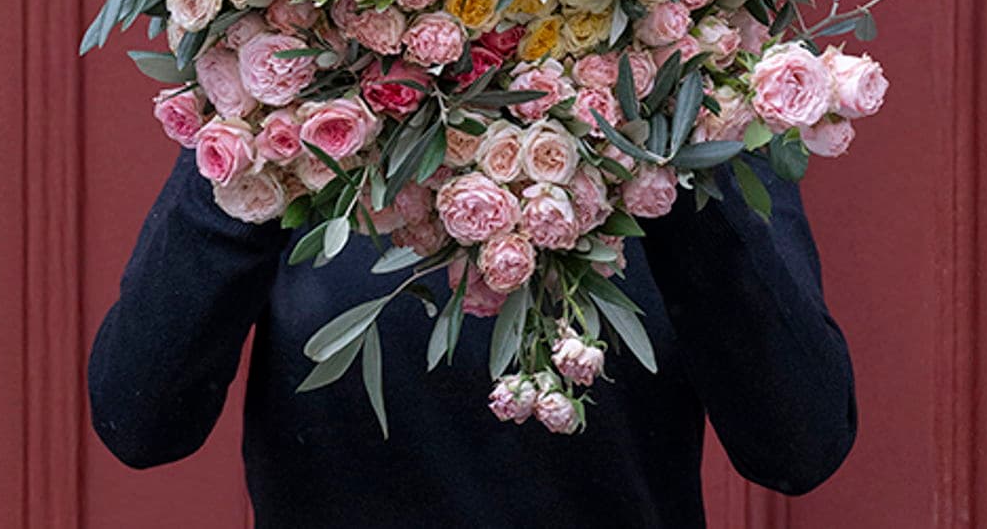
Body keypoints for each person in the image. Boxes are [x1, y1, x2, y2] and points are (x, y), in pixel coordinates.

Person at [88, 147, 857, 528]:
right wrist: (251, 136)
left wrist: (675, 147)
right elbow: (140, 418)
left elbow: (801, 443)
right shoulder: (305, 130)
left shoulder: (680, 126)